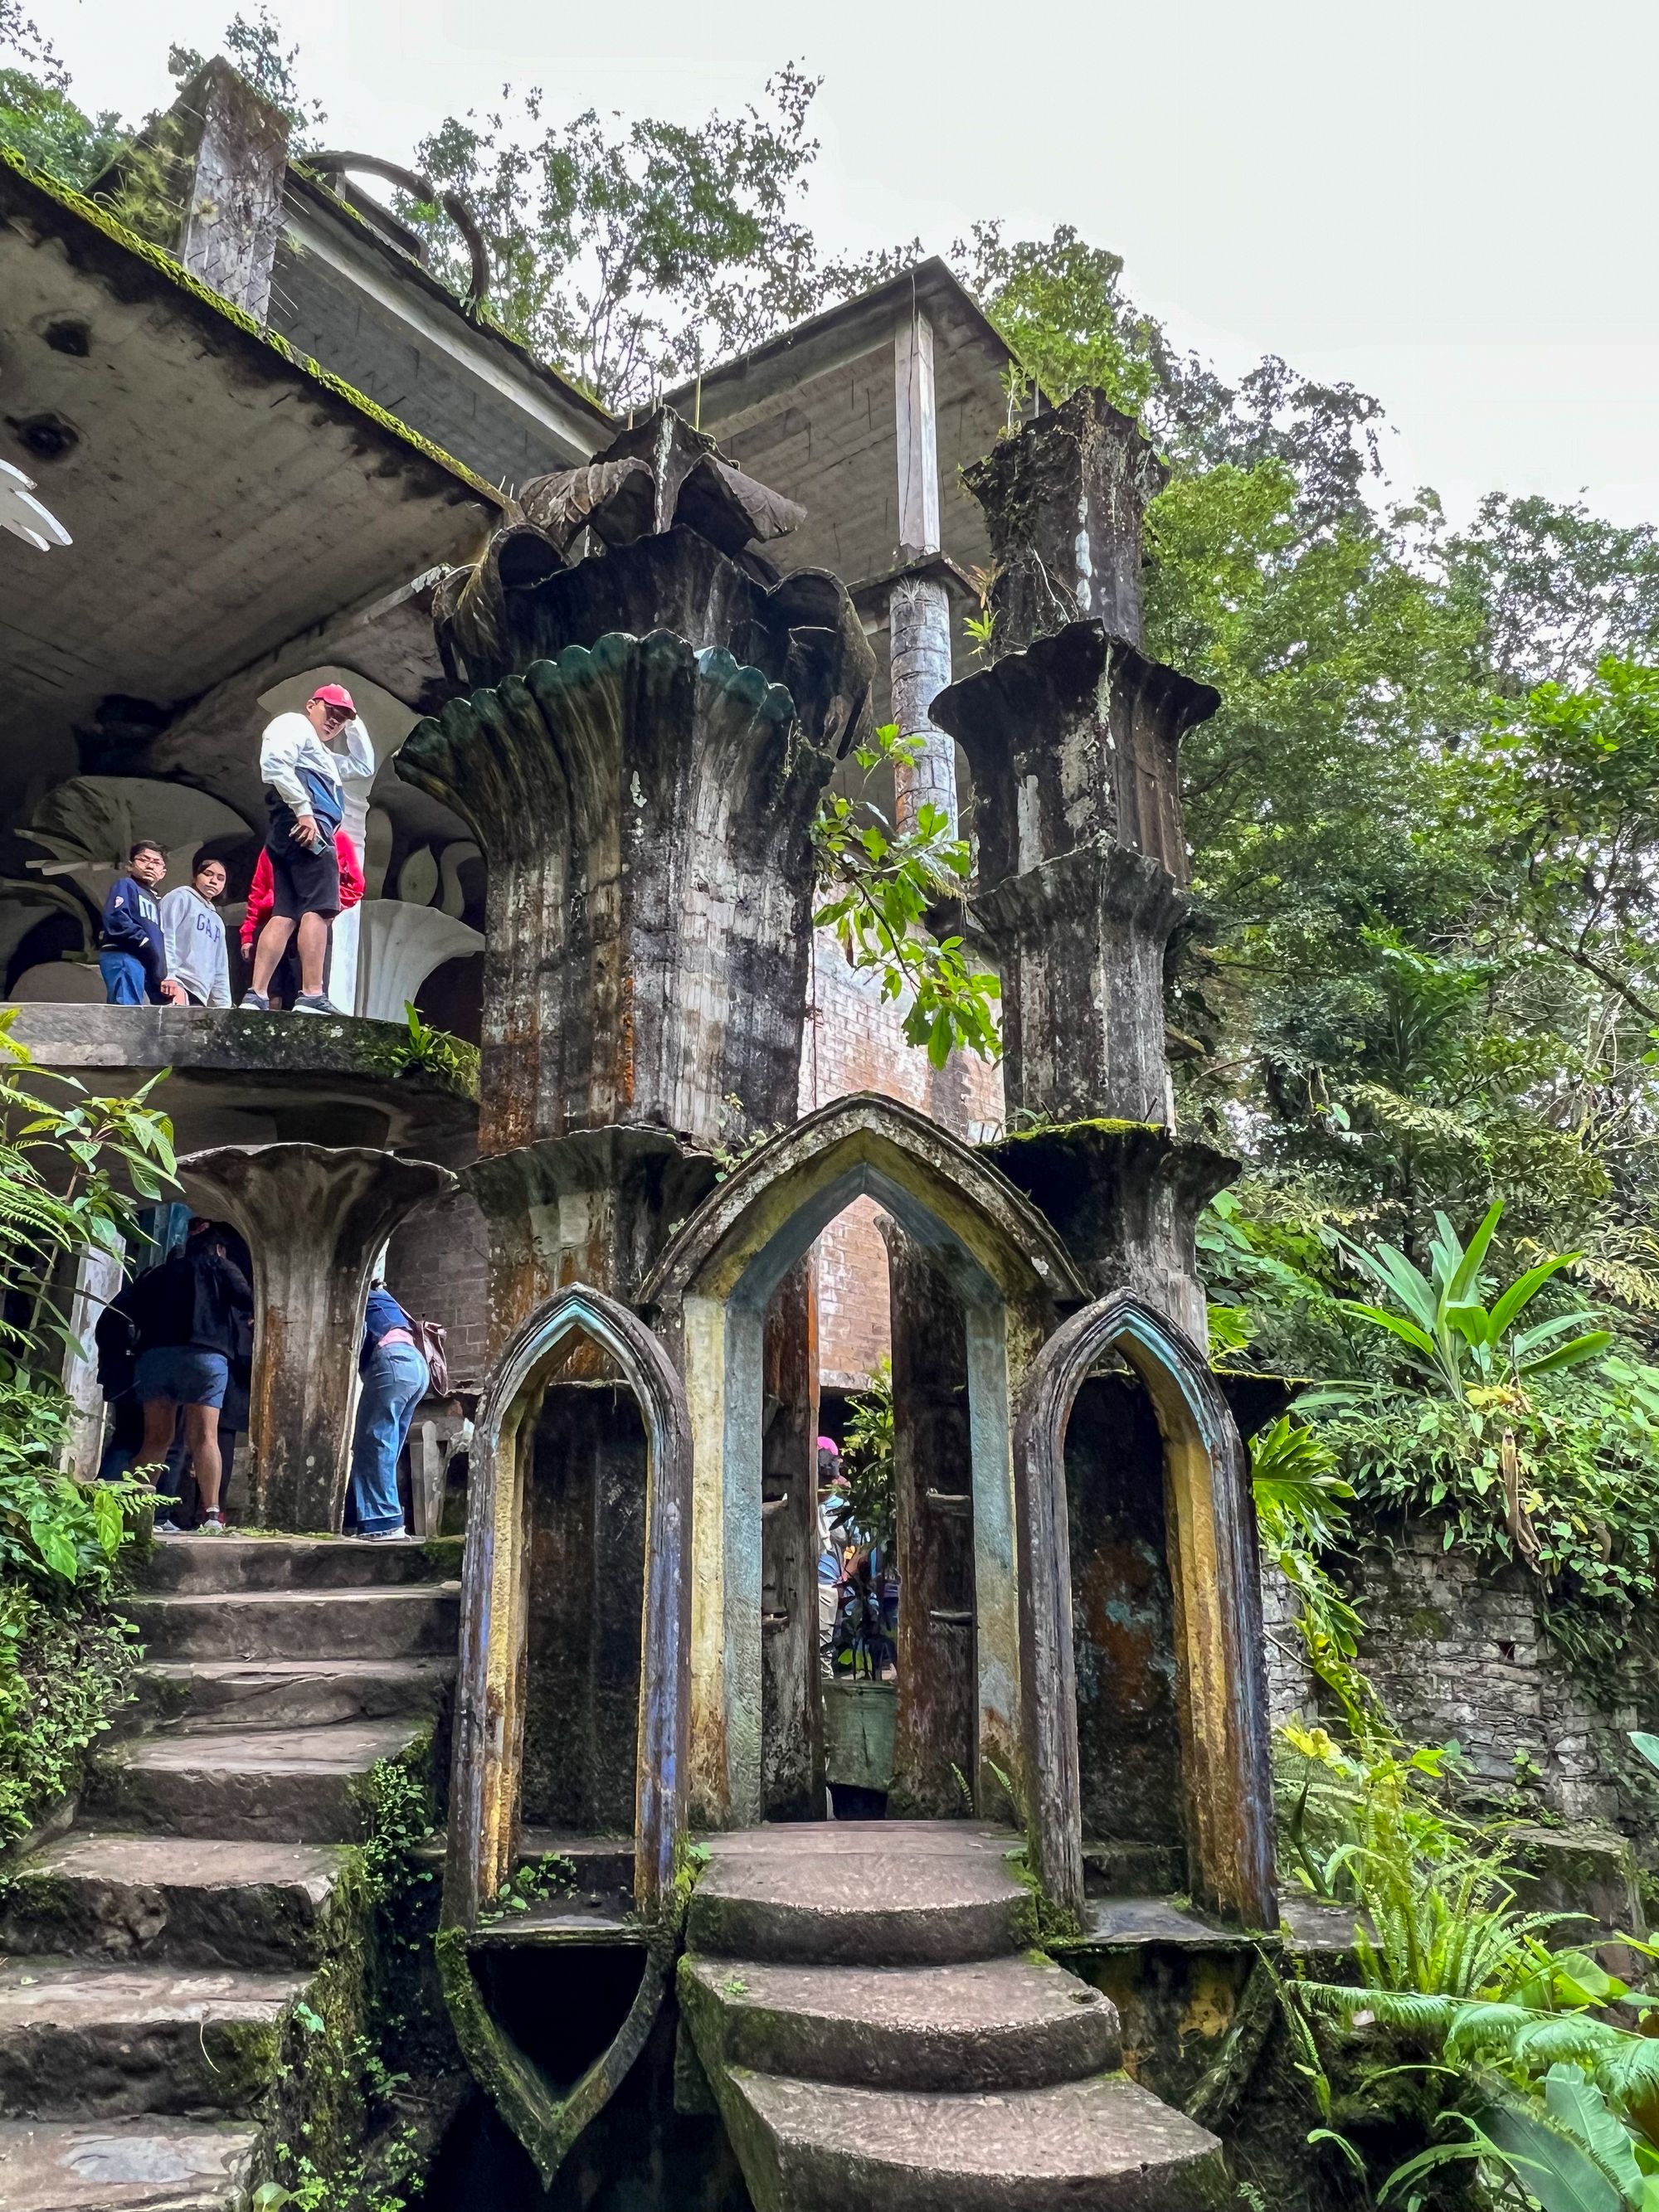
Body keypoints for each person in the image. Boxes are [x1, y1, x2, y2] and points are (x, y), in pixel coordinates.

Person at [113, 1218, 253, 1534]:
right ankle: (213, 1515)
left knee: (155, 1439)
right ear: (218, 1248)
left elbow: (129, 1308)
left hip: (156, 1358)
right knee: (205, 1438)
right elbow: (248, 1302)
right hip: (205, 1358)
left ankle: (136, 1513)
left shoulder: (161, 1273)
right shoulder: (221, 1266)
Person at [241, 685, 369, 1015]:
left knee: (285, 913)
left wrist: (353, 721)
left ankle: (256, 995)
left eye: (341, 720)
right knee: (320, 909)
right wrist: (304, 812)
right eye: (331, 713)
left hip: (294, 828)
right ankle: (312, 995)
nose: (335, 722)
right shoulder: (294, 725)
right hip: (306, 825)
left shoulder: (323, 755)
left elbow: (364, 765)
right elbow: (273, 763)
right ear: (311, 704)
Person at [241, 831, 365, 1004]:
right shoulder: (318, 836)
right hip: (277, 919)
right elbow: (258, 890)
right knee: (274, 993)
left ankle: (261, 996)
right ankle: (306, 997)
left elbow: (354, 886)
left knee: (295, 987)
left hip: (298, 922)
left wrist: (332, 905)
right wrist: (248, 932)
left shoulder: (337, 839)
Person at [348, 1281, 429, 1541]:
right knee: (386, 1445)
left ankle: (382, 1523)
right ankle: (357, 1518)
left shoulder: (355, 1288)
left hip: (392, 1361)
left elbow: (352, 1339)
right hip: (416, 1365)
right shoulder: (383, 1297)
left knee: (374, 1442)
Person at [98, 841, 185, 1006]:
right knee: (126, 1007)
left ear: (163, 872)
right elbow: (117, 918)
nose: (150, 866)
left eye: (156, 862)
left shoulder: (156, 901)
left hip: (142, 961)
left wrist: (159, 976)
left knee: (134, 1006)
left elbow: (157, 942)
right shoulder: (126, 885)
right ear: (131, 866)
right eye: (144, 860)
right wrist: (143, 940)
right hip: (123, 953)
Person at [159, 857, 232, 1008]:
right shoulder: (181, 897)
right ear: (195, 876)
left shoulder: (217, 921)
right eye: (208, 874)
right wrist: (170, 975)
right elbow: (166, 935)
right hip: (176, 984)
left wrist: (224, 1005)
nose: (214, 881)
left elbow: (220, 965)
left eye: (220, 878)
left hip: (201, 994)